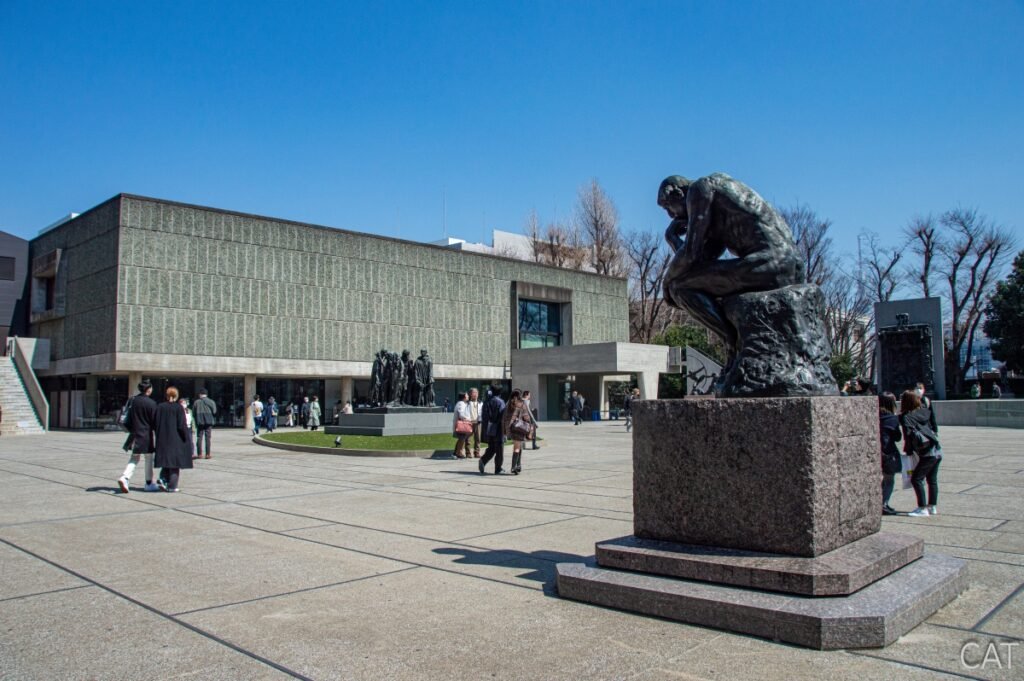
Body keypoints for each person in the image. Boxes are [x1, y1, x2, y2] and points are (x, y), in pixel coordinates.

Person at [900, 390, 941, 517]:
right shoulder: (924, 412)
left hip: (927, 453)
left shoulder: (906, 417)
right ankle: (932, 507)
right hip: (937, 449)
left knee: (916, 479)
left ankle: (922, 508)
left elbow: (908, 436)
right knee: (932, 480)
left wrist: (908, 451)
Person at [117, 381, 159, 493]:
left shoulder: (133, 400)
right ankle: (149, 483)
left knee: (134, 458)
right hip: (146, 435)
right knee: (149, 458)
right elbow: (155, 422)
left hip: (134, 434)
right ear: (149, 389)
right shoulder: (151, 403)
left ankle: (125, 477)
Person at [153, 386, 193, 492]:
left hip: (162, 438)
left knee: (166, 461)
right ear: (176, 396)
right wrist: (186, 437)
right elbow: (181, 425)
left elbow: (155, 423)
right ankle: (172, 486)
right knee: (175, 464)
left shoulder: (160, 407)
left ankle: (163, 479)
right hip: (176, 439)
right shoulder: (179, 408)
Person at [878, 392, 902, 515]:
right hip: (888, 452)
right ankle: (883, 504)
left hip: (877, 452)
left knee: (882, 479)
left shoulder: (874, 415)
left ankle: (880, 503)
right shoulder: (892, 418)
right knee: (889, 480)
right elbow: (897, 437)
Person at [502, 389, 536, 475]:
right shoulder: (521, 404)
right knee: (517, 447)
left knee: (518, 446)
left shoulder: (507, 404)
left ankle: (518, 465)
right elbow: (526, 416)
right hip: (518, 428)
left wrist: (504, 430)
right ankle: (514, 467)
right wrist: (529, 425)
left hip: (510, 428)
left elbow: (504, 417)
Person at [479, 389, 506, 475]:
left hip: (489, 428)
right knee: (499, 449)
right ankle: (498, 468)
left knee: (492, 447)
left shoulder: (486, 402)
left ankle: (483, 460)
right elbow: (503, 415)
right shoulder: (500, 402)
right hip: (498, 428)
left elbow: (484, 416)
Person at [192, 387, 217, 459]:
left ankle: (199, 454)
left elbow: (193, 413)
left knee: (199, 437)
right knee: (208, 437)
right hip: (209, 421)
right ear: (206, 394)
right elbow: (214, 411)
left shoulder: (196, 402)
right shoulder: (211, 401)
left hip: (200, 421)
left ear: (200, 394)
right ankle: (208, 454)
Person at [452, 392, 472, 459]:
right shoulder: (461, 403)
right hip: (462, 424)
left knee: (461, 439)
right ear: (464, 397)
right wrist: (468, 419)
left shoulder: (461, 403)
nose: (468, 396)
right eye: (467, 395)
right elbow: (461, 415)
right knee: (462, 439)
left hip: (460, 424)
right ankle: (459, 453)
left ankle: (456, 453)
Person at [466, 388, 483, 458]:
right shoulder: (467, 403)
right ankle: (468, 453)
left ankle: (477, 452)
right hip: (469, 422)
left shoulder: (480, 403)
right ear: (470, 394)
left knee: (478, 438)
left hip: (478, 422)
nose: (475, 394)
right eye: (474, 392)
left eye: (476, 393)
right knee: (468, 439)